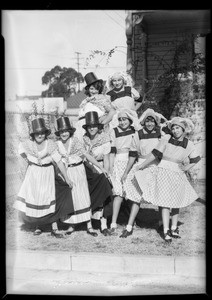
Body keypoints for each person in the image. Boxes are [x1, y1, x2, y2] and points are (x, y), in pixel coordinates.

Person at [134, 116, 201, 243]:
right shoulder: (166, 138)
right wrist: (142, 165)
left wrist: (186, 168)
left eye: (178, 128)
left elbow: (196, 159)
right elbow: (155, 154)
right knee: (164, 201)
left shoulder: (189, 144)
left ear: (183, 129)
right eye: (173, 128)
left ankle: (174, 228)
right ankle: (166, 230)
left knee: (176, 201)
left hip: (177, 173)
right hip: (163, 170)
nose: (175, 131)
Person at [13, 117, 73, 238]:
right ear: (33, 134)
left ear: (45, 134)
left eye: (42, 133)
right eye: (37, 133)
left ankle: (54, 228)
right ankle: (38, 226)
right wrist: (28, 160)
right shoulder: (28, 144)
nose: (40, 135)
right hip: (34, 175)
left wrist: (66, 177)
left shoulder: (50, 145)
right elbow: (20, 151)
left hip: (47, 175)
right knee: (35, 199)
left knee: (48, 199)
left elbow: (59, 162)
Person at [54, 116, 108, 237]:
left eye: (66, 131)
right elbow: (58, 161)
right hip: (66, 172)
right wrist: (64, 176)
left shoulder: (75, 141)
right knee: (72, 198)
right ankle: (71, 225)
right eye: (61, 132)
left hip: (78, 170)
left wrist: (101, 167)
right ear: (59, 133)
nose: (64, 134)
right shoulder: (57, 144)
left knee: (83, 196)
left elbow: (87, 156)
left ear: (70, 132)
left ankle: (89, 225)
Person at [120, 108, 167, 238]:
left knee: (160, 196)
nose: (150, 124)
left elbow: (161, 150)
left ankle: (163, 224)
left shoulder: (160, 134)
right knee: (136, 197)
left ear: (156, 123)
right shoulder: (138, 134)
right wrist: (126, 172)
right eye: (147, 121)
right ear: (144, 122)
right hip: (140, 166)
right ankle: (129, 226)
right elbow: (132, 155)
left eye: (152, 121)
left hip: (155, 166)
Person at [108, 108, 140, 234]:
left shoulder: (134, 131)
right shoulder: (114, 131)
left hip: (131, 162)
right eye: (120, 120)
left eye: (124, 119)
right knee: (118, 194)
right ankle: (113, 223)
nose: (122, 122)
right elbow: (112, 151)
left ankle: (130, 223)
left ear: (129, 120)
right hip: (118, 162)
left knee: (132, 193)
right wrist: (110, 167)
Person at [82, 111, 113, 236]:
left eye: (94, 126)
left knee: (105, 193)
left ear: (98, 127)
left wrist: (106, 172)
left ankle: (103, 224)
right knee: (88, 196)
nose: (92, 129)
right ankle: (89, 224)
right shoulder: (84, 139)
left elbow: (106, 158)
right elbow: (85, 156)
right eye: (89, 126)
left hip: (101, 168)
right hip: (88, 169)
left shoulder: (105, 138)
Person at [74, 72, 116, 142]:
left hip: (93, 129)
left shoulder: (101, 99)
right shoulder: (86, 101)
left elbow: (112, 112)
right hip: (81, 128)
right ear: (88, 89)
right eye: (91, 89)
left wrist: (101, 125)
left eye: (96, 89)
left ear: (99, 89)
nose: (94, 91)